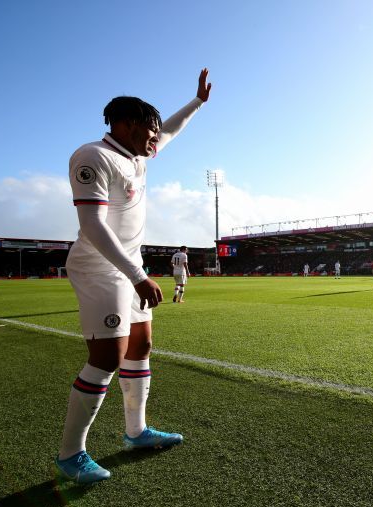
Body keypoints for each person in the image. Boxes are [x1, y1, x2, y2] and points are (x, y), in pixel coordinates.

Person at [56, 69, 212, 484]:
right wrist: (138, 274)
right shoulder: (93, 156)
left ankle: (136, 431)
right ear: (125, 124)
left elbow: (172, 132)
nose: (155, 139)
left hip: (128, 268)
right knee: (107, 356)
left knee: (140, 347)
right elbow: (93, 224)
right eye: (149, 130)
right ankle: (71, 454)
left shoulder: (137, 154)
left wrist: (197, 103)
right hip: (100, 267)